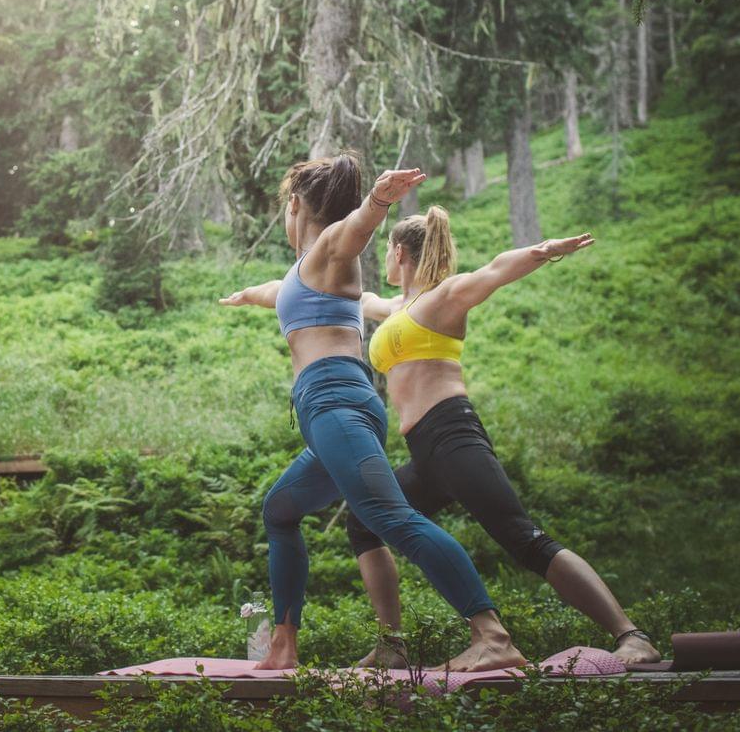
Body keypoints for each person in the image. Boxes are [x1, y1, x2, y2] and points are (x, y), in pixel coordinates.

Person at [220, 155, 525, 672]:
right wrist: (246, 295)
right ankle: (283, 644)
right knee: (281, 511)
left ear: (294, 205)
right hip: (332, 410)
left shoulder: (331, 248)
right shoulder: (306, 273)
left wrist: (379, 200)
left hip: (336, 402)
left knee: (391, 519)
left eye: (286, 208)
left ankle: (491, 634)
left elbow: (356, 230)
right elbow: (276, 292)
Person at [347, 206, 661, 667]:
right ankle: (391, 646)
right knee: (364, 521)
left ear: (398, 253)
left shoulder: (444, 296)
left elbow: (496, 270)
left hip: (453, 436)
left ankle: (632, 636)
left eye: (388, 255)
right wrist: (286, 290)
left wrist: (545, 250)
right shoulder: (397, 308)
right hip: (427, 454)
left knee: (524, 539)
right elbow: (356, 298)